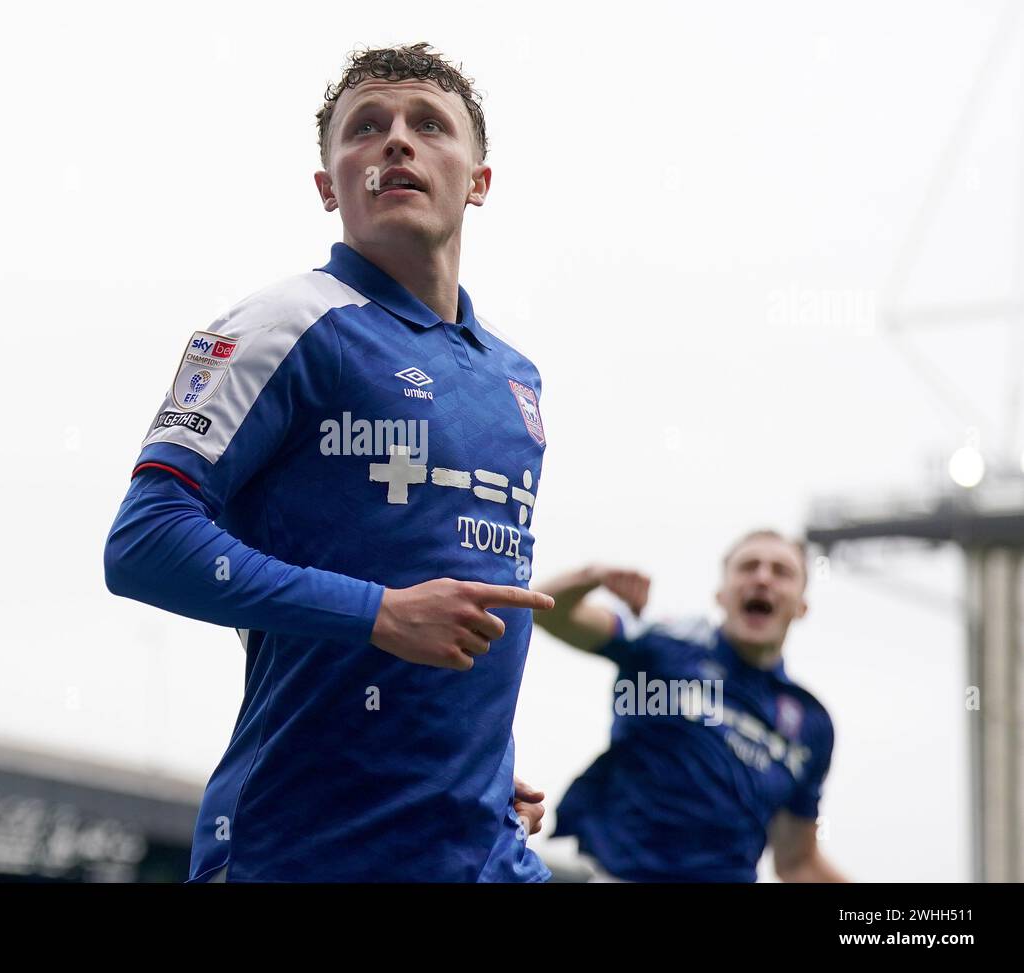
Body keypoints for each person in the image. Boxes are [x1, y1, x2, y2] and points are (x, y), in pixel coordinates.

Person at [104, 42, 554, 882]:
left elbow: (455, 596)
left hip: (478, 850)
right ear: (328, 187)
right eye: (366, 129)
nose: (396, 142)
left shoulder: (517, 379)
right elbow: (142, 544)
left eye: (428, 125)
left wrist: (471, 764)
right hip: (305, 847)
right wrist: (379, 612)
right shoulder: (283, 323)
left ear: (480, 180)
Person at [535, 529, 848, 882]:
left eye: (781, 571)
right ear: (721, 594)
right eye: (748, 567)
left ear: (801, 606)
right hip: (611, 872)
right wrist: (592, 576)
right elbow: (547, 612)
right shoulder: (664, 647)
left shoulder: (811, 723)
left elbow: (796, 862)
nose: (762, 578)